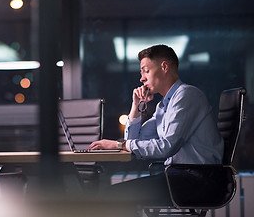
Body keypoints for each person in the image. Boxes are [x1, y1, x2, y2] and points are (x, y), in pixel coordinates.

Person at [87, 44, 224, 206]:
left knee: (113, 196)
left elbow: (166, 147)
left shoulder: (187, 95)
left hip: (198, 180)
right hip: (180, 177)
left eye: (146, 70)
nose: (141, 78)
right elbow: (134, 139)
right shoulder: (164, 106)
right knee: (113, 195)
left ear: (164, 67)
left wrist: (118, 144)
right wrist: (136, 106)